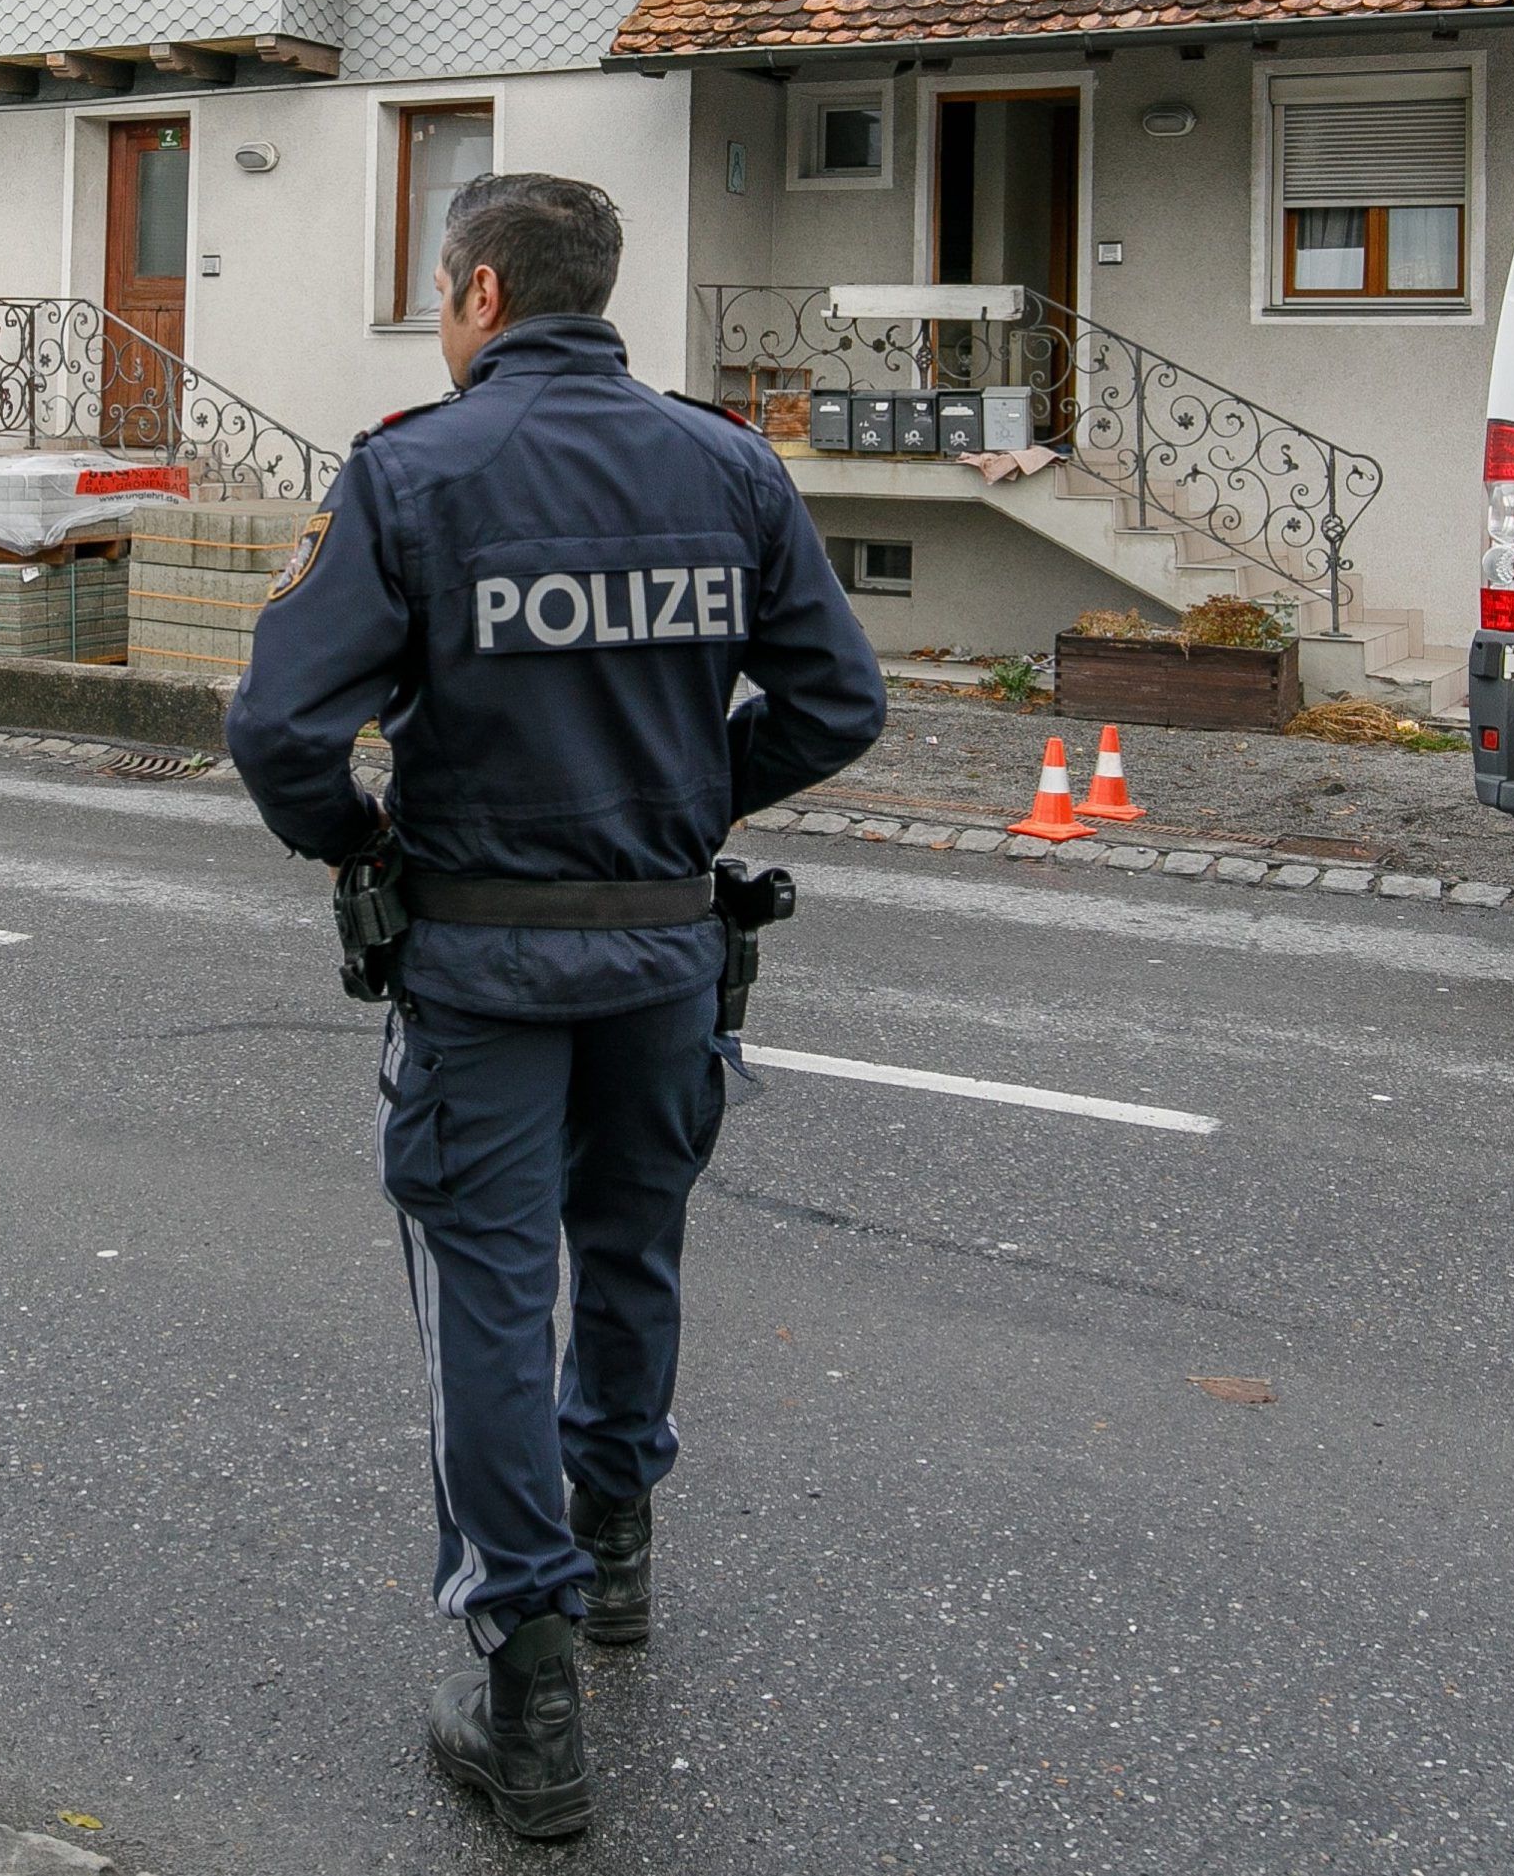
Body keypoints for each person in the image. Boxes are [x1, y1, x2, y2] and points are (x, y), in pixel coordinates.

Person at [227, 172, 885, 1842]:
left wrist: (361, 844)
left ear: (484, 289)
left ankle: (528, 1693)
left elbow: (282, 730)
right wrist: (695, 798)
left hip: (484, 962)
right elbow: (838, 698)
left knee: (492, 1287)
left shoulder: (412, 470)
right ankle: (617, 1555)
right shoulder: (727, 464)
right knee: (635, 1244)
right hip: (667, 951)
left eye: (444, 288)